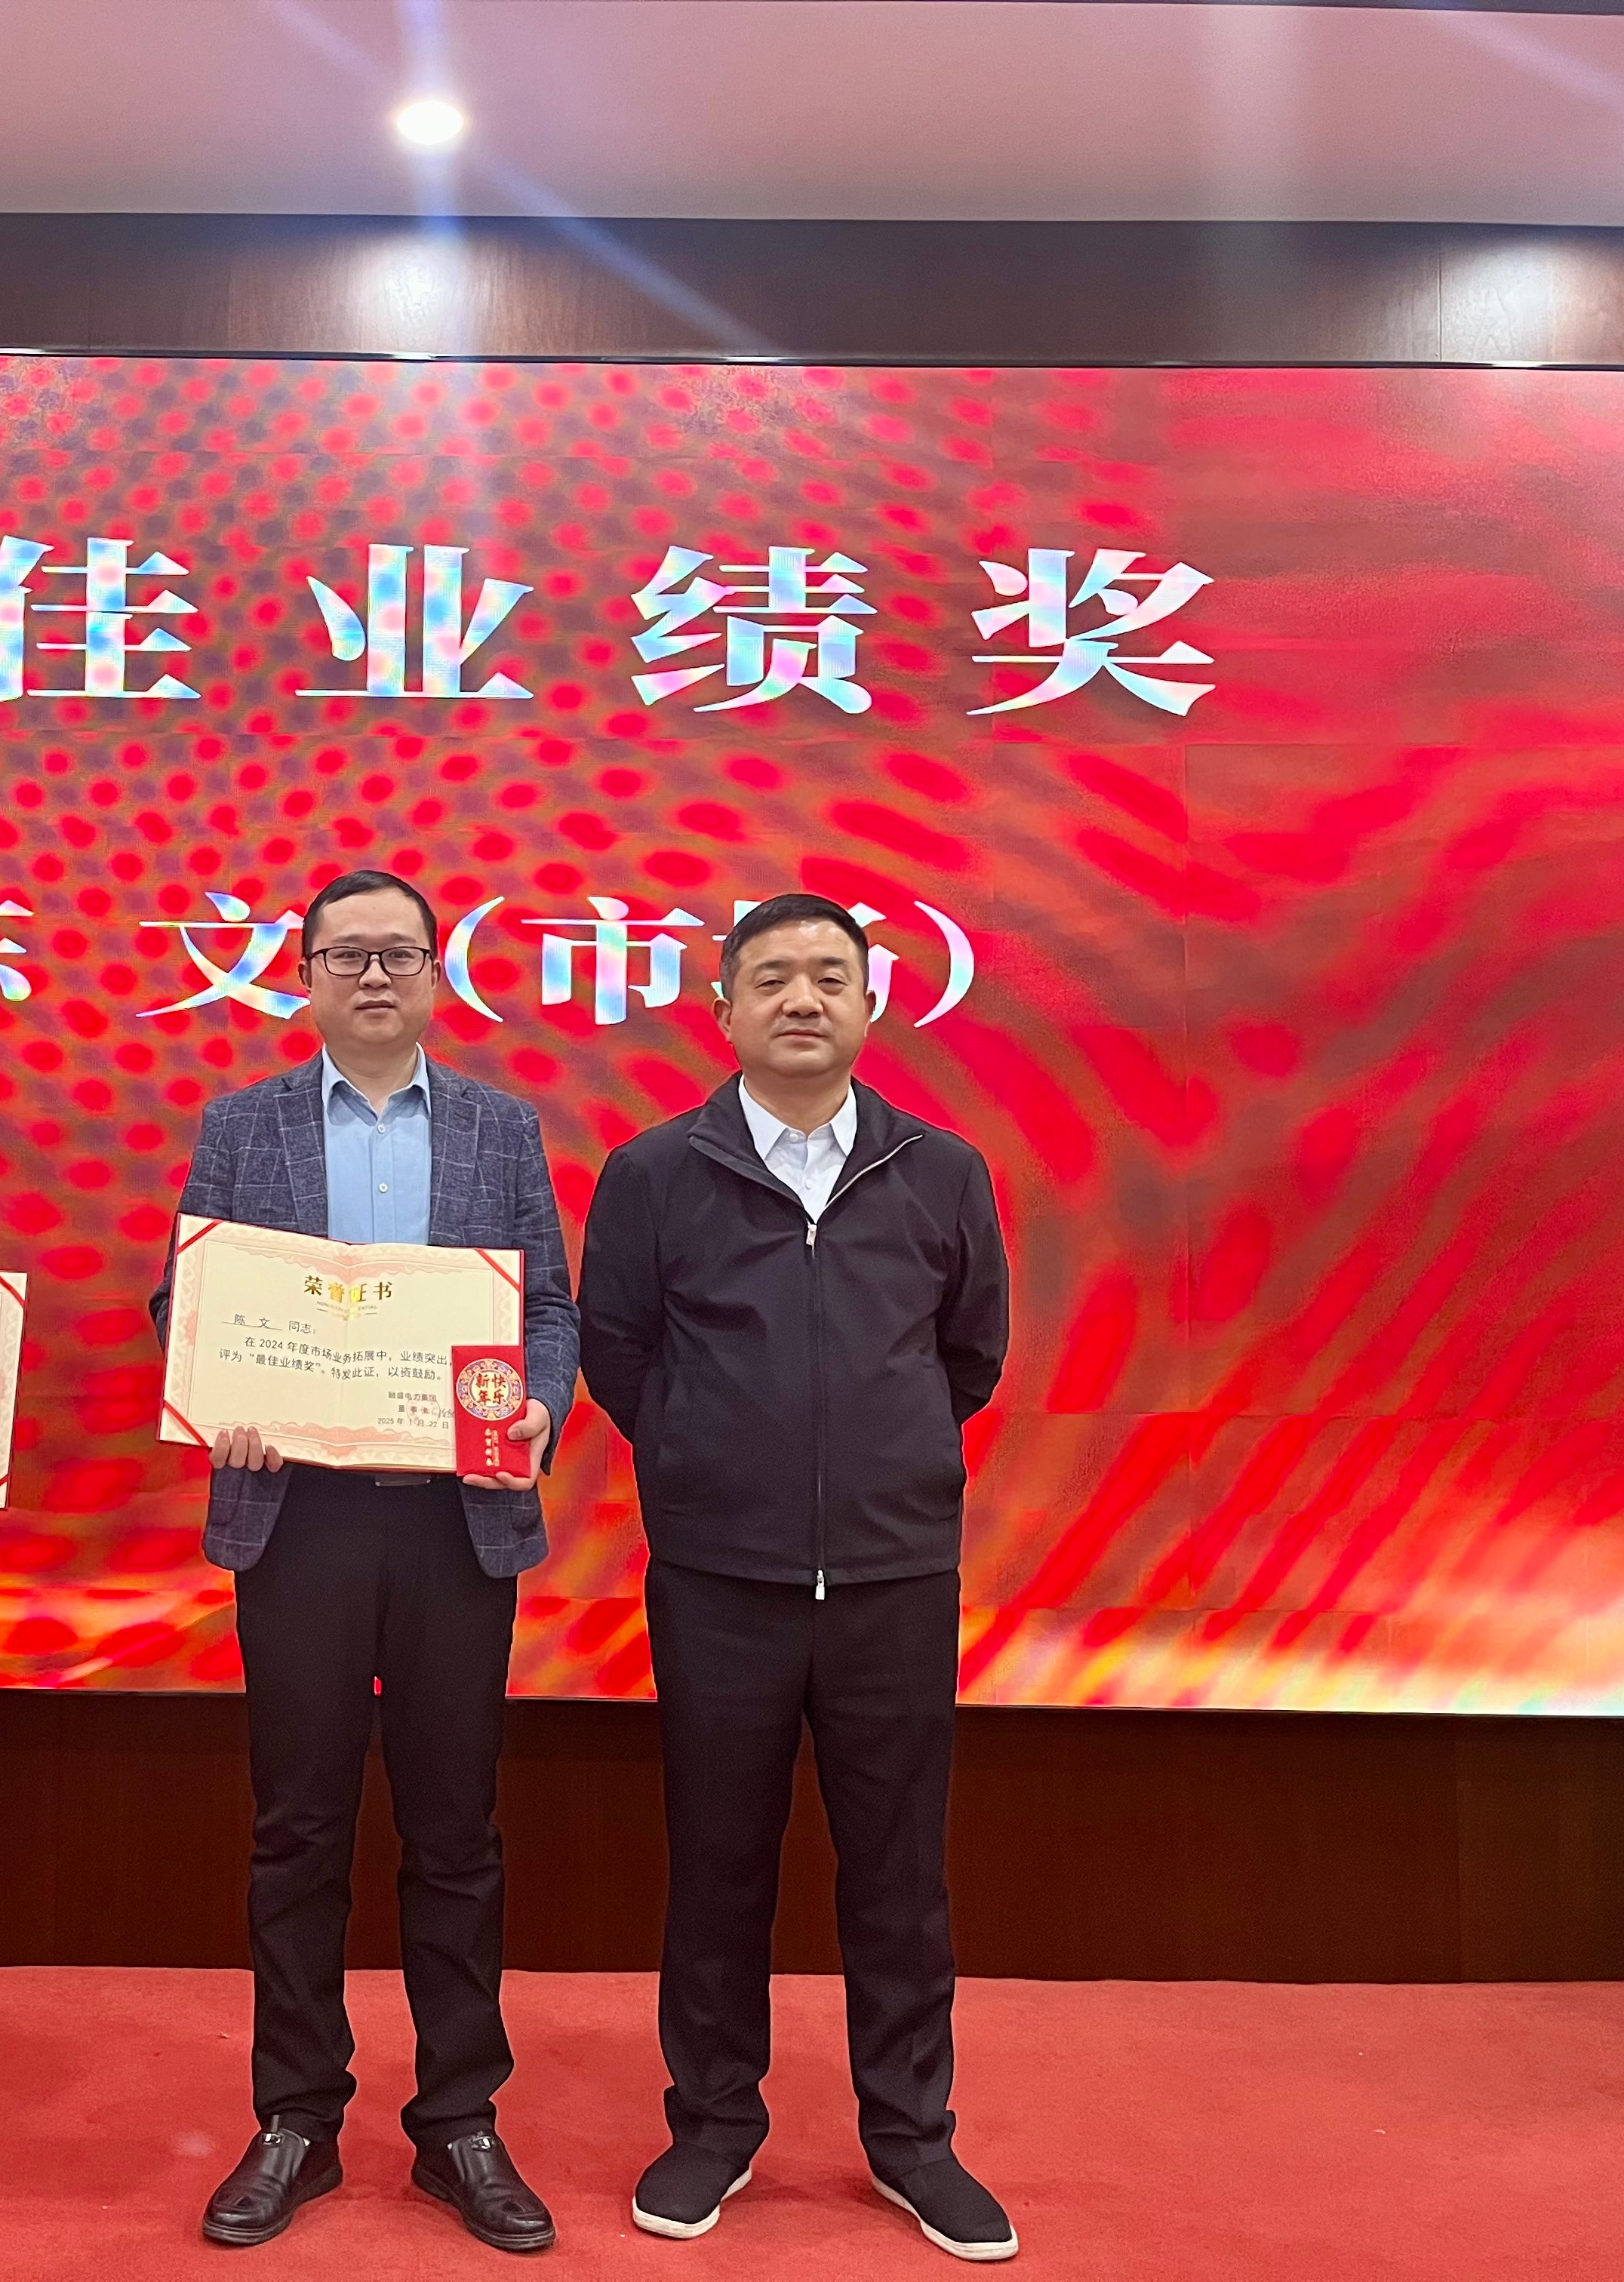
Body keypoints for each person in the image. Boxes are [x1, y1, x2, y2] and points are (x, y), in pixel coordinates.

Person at [579, 893, 1017, 2262]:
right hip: (721, 1579)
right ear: (724, 1011)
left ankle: (913, 2137)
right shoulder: (656, 1170)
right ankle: (714, 2123)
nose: (803, 999)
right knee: (719, 1864)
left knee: (900, 1872)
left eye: (832, 976)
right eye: (771, 978)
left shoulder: (942, 1170)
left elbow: (970, 1356)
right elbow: (618, 1353)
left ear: (872, 1005)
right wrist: (709, 1462)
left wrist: (879, 1467)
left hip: (895, 1577)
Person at [150, 869, 580, 2255]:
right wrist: (222, 1388)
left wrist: (536, 1408)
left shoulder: (502, 1128)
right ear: (307, 977)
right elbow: (186, 1298)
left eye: (401, 954)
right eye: (348, 956)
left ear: (438, 975)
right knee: (298, 1829)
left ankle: (460, 2122)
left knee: (456, 1832)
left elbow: (550, 1313)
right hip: (303, 1525)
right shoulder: (244, 1124)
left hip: (456, 1523)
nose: (376, 976)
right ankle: (296, 2117)